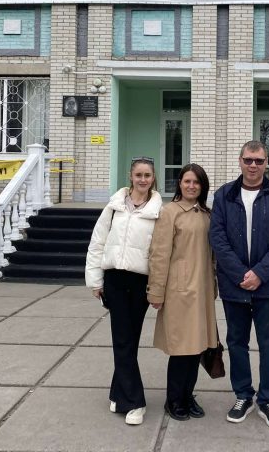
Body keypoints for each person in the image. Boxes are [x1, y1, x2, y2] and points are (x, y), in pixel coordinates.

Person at [209, 140, 269, 429]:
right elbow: (217, 238)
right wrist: (240, 274)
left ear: (266, 162)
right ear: (240, 161)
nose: (253, 165)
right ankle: (243, 395)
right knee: (237, 343)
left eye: (258, 160)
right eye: (248, 160)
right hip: (235, 286)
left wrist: (259, 273)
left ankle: (268, 399)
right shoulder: (224, 195)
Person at [85, 157, 163, 426]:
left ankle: (119, 393)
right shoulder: (114, 207)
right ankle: (134, 401)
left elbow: (160, 252)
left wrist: (157, 287)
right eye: (139, 175)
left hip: (140, 282)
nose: (143, 179)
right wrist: (95, 281)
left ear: (153, 178)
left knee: (129, 339)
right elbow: (97, 242)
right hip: (115, 280)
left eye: (147, 175)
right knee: (122, 339)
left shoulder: (158, 210)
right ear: (131, 176)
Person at [147, 163, 218, 421]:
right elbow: (159, 254)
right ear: (179, 183)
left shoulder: (207, 214)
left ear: (202, 186)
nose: (191, 186)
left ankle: (188, 396)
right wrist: (156, 292)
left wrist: (214, 285)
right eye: (187, 181)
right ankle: (174, 399)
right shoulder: (170, 212)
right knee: (180, 349)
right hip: (179, 291)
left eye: (196, 182)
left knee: (197, 348)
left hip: (202, 291)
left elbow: (212, 256)